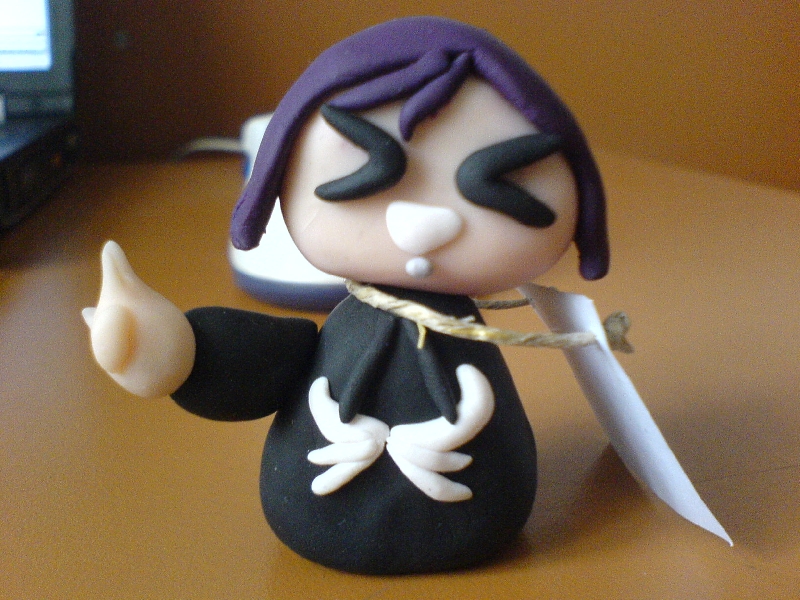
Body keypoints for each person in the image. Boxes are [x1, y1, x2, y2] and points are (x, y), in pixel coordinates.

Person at [84, 17, 608, 574]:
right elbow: (269, 362)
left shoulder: (454, 326)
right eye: (368, 170)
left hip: (485, 513)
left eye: (497, 181)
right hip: (313, 509)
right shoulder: (350, 324)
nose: (423, 223)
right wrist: (177, 352)